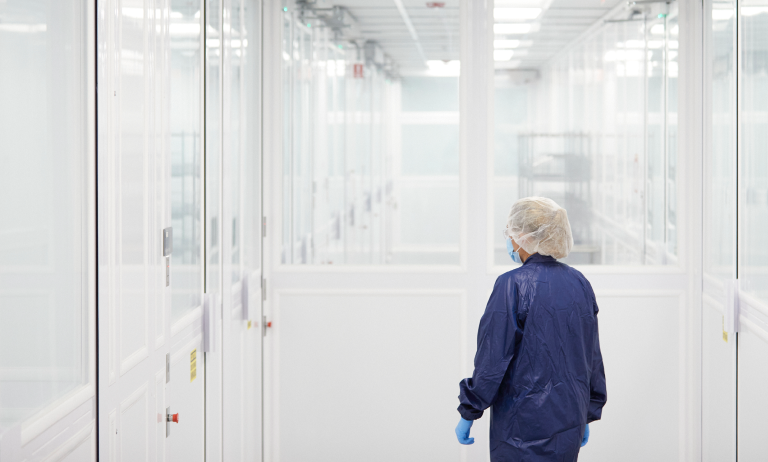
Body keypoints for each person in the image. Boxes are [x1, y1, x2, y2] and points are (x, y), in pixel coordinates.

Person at [455, 197, 607, 461]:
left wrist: (470, 409)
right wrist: (588, 411)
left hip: (520, 428)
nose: (509, 240)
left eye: (510, 233)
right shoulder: (580, 283)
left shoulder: (511, 286)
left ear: (523, 237)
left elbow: (492, 360)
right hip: (569, 422)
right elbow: (590, 355)